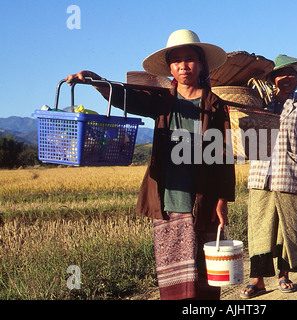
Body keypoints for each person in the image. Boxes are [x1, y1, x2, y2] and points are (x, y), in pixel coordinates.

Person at [65, 29, 235, 300]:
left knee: (205, 281)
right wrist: (95, 80)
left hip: (204, 196)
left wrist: (223, 199)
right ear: (170, 67)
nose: (183, 65)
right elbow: (124, 97)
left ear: (201, 63)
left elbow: (223, 156)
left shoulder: (215, 105)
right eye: (176, 60)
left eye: (189, 58)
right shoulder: (161, 99)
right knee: (175, 278)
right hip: (169, 199)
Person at [240, 54, 297, 298]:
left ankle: (284, 275)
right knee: (259, 228)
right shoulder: (258, 103)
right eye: (280, 74)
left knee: (288, 228)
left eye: (292, 75)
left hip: (291, 176)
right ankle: (258, 280)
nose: (285, 78)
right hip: (260, 176)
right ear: (272, 78)